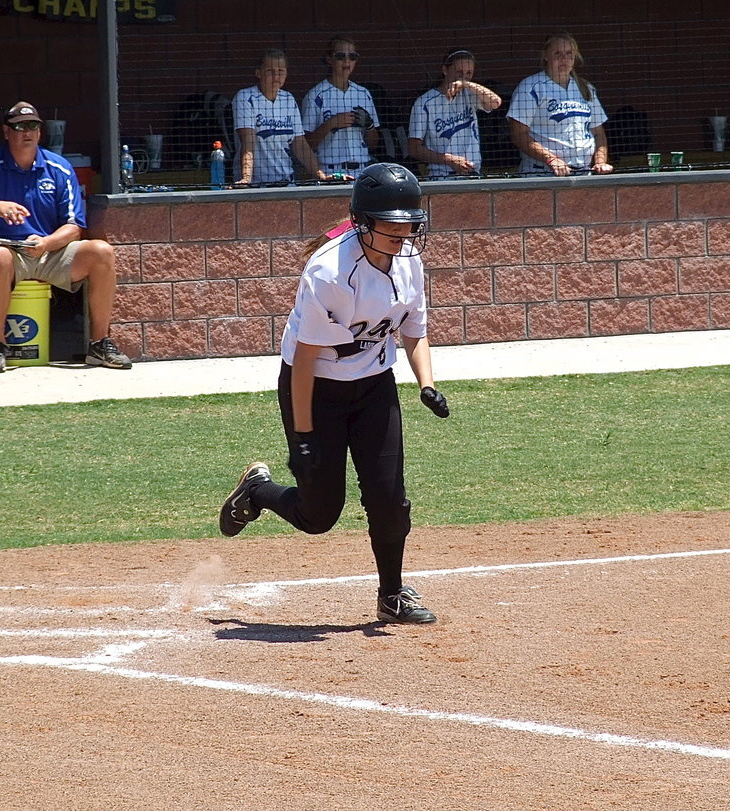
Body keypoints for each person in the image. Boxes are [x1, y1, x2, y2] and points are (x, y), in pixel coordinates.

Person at [219, 163, 450, 625]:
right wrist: (302, 433)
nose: (404, 231)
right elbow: (304, 361)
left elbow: (414, 331)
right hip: (316, 389)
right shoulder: (328, 272)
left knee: (389, 498)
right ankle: (259, 491)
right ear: (363, 223)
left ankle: (392, 594)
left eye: (410, 222)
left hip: (373, 388)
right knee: (319, 514)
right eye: (392, 222)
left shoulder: (409, 262)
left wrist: (427, 384)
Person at [0, 101, 131, 373]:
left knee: (101, 252)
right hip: (4, 250)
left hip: (47, 250)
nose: (27, 132)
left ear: (40, 132)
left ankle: (99, 343)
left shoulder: (60, 168)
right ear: (6, 131)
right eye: (19, 126)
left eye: (33, 126)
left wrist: (47, 243)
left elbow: (74, 226)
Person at [507, 32, 614, 176]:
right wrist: (551, 160)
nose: (564, 59)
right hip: (542, 173)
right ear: (546, 56)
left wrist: (600, 161)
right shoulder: (531, 87)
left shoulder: (585, 88)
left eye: (569, 54)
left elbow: (598, 133)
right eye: (558, 54)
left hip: (583, 172)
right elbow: (519, 134)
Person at [233, 49, 328, 187]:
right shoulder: (245, 98)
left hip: (286, 182)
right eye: (270, 71)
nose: (276, 76)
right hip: (255, 185)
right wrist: (246, 178)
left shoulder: (288, 99)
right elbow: (248, 141)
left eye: (281, 71)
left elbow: (300, 144)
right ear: (258, 73)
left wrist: (321, 176)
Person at [407, 48, 501, 178]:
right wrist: (449, 159)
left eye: (469, 73)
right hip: (442, 176)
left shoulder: (470, 94)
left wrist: (468, 85)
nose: (464, 77)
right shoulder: (424, 103)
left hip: (473, 174)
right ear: (445, 70)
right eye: (459, 72)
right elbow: (414, 149)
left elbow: (496, 102)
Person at [302, 36, 380, 179]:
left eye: (352, 56)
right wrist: (331, 124)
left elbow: (374, 144)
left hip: (362, 171)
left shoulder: (363, 94)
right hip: (329, 171)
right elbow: (306, 145)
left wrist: (369, 126)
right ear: (329, 59)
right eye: (340, 56)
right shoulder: (315, 95)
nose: (347, 61)